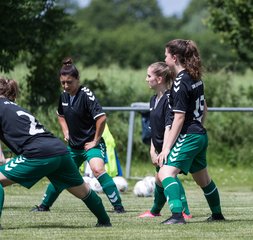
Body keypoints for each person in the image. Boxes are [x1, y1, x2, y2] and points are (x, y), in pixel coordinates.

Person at [0, 77, 111, 229]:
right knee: (83, 191)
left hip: (38, 153)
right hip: (58, 149)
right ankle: (105, 221)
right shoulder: (14, 107)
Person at [32, 58, 125, 213]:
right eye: (63, 83)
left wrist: (95, 140)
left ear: (77, 80)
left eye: (69, 82)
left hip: (90, 144)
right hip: (74, 146)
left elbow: (101, 118)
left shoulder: (86, 94)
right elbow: (60, 115)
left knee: (97, 169)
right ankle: (44, 206)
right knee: (59, 173)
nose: (66, 86)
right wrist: (66, 132)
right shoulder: (63, 96)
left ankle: (118, 207)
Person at [157, 39, 225, 224]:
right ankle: (217, 214)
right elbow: (204, 108)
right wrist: (198, 126)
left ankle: (178, 216)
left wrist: (166, 148)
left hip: (190, 135)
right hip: (199, 134)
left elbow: (178, 118)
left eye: (166, 55)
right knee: (203, 180)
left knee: (165, 174)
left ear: (175, 57)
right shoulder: (195, 77)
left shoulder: (180, 82)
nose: (164, 58)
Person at [138, 62, 192, 219]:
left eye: (149, 76)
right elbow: (154, 128)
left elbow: (169, 126)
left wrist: (164, 150)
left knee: (167, 176)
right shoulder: (153, 99)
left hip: (169, 146)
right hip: (158, 147)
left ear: (159, 79)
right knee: (159, 179)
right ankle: (155, 211)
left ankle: (184, 212)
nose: (146, 79)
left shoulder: (169, 98)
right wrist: (152, 149)